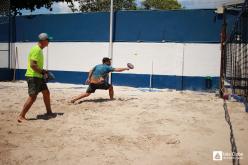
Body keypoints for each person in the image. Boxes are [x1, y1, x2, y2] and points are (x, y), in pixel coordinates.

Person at [18, 33, 54, 122]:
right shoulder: (36, 50)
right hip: (33, 77)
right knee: (32, 97)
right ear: (44, 41)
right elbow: (33, 65)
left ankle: (49, 112)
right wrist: (43, 72)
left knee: (46, 92)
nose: (49, 42)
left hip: (38, 76)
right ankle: (21, 116)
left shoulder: (39, 50)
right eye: (48, 40)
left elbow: (36, 65)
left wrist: (44, 72)